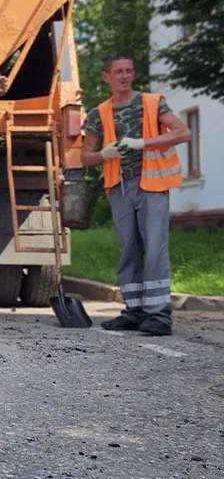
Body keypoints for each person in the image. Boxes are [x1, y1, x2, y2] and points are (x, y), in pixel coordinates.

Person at [80, 53, 191, 336]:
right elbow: (84, 156)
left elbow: (182, 132)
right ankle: (135, 311)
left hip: (152, 184)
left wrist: (143, 142)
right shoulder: (98, 113)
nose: (125, 76)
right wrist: (102, 154)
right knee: (130, 249)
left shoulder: (152, 103)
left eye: (129, 70)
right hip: (120, 186)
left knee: (155, 249)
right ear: (107, 77)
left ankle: (159, 316)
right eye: (118, 71)